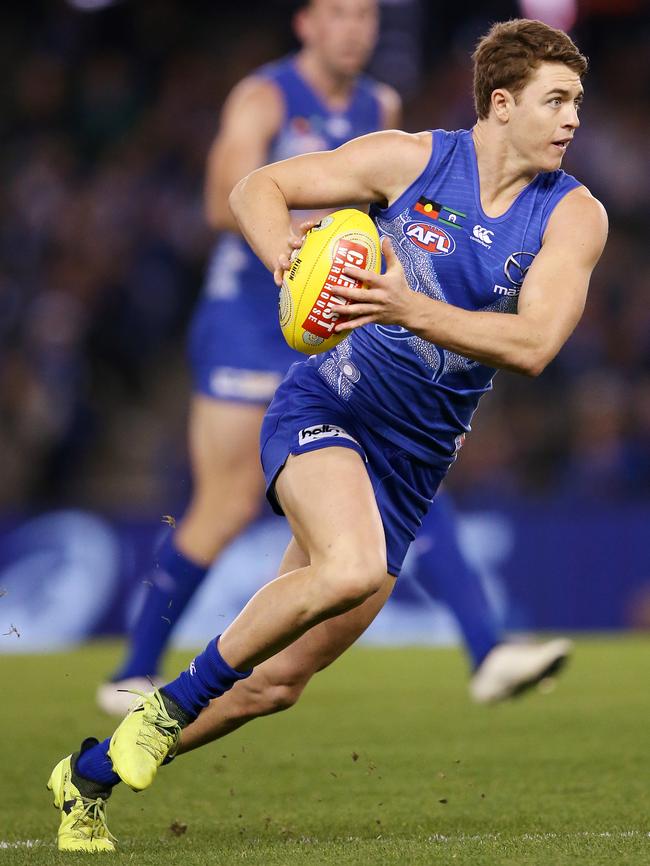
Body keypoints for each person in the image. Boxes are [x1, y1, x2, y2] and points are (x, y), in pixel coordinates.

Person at [48, 17, 606, 852]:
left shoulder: (573, 216)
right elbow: (252, 189)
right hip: (326, 409)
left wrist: (405, 305)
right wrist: (286, 259)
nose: (571, 119)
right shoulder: (411, 159)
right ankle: (159, 712)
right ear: (500, 104)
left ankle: (85, 778)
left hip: (411, 469)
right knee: (347, 565)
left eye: (577, 103)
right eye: (555, 100)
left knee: (273, 684)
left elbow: (534, 345)